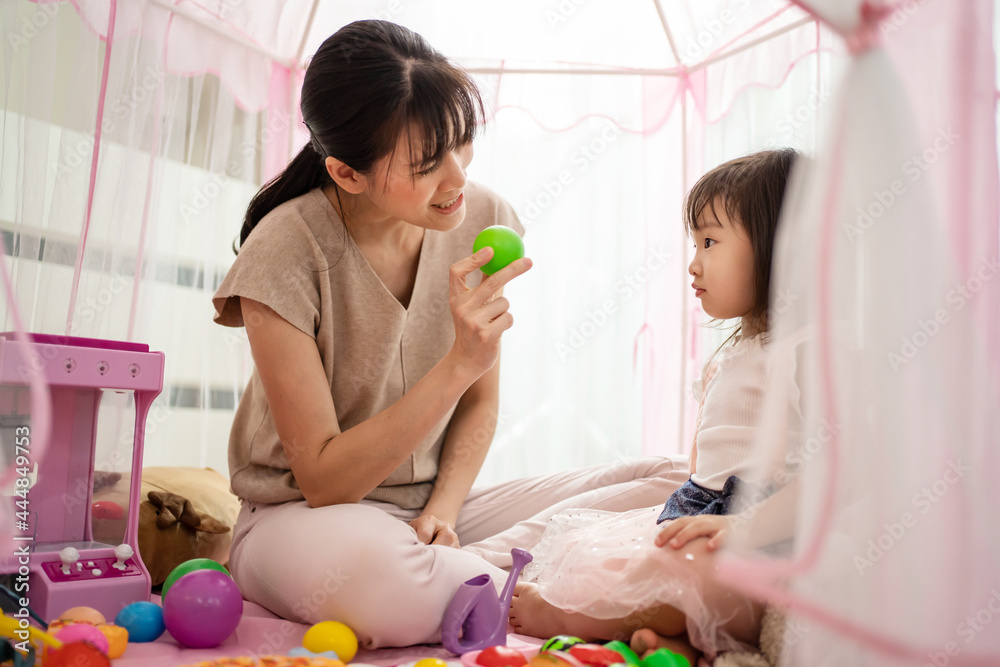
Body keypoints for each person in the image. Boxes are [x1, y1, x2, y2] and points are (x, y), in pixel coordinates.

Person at [212, 20, 688, 649]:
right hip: (302, 518)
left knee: (678, 484)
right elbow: (326, 481)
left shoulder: (481, 218)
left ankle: (480, 566)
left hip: (436, 509)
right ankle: (527, 579)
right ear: (347, 173)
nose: (457, 179)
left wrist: (440, 512)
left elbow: (482, 406)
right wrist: (459, 363)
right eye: (426, 164)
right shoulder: (286, 250)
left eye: (461, 144)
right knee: (389, 585)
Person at [506, 149, 800, 664]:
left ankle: (569, 619)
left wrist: (740, 527)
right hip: (700, 510)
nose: (694, 262)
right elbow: (707, 457)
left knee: (690, 574)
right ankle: (678, 641)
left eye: (709, 242)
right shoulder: (738, 350)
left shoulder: (806, 349)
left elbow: (832, 476)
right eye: (695, 243)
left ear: (782, 248)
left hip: (763, 535)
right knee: (605, 555)